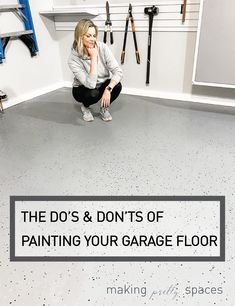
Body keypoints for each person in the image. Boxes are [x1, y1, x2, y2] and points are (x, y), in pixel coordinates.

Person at [68, 19, 123, 122]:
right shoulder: (73, 59)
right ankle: (85, 106)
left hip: (101, 84)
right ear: (80, 37)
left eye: (94, 36)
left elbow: (118, 71)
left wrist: (108, 89)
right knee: (93, 94)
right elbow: (90, 85)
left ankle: (103, 108)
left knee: (117, 86)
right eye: (88, 36)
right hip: (82, 88)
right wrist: (93, 57)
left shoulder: (103, 48)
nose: (92, 39)